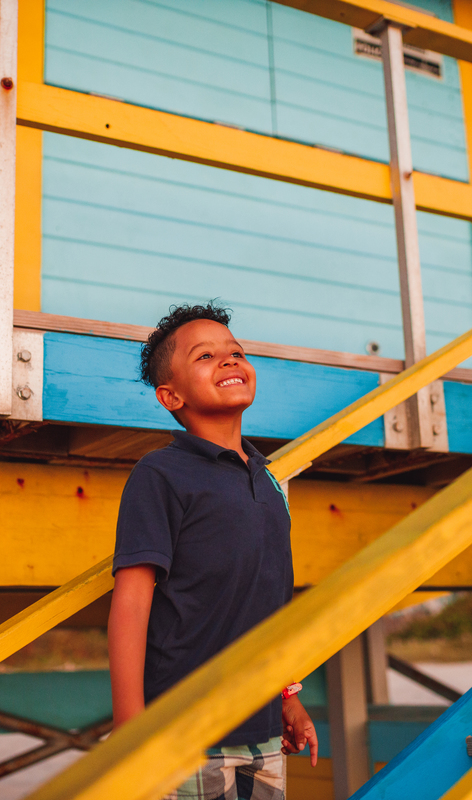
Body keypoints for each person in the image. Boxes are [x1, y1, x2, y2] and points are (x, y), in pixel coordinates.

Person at [108, 302, 318, 800]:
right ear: (170, 395)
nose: (228, 361)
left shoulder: (269, 479)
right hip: (186, 730)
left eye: (236, 352)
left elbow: (270, 600)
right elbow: (132, 602)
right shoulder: (160, 475)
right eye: (205, 356)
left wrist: (288, 697)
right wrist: (130, 728)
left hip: (263, 728)